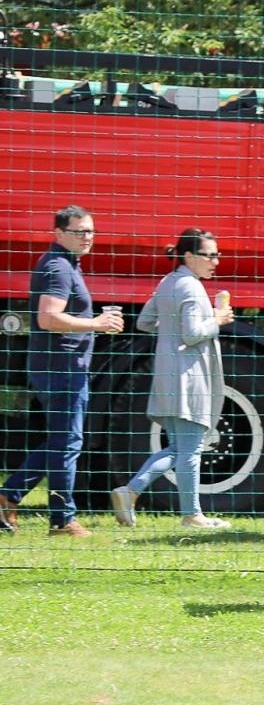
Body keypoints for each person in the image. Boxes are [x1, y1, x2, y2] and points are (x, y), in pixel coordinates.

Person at [0, 206, 121, 536]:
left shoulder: (66, 264)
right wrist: (95, 323)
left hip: (62, 368)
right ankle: (62, 519)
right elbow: (47, 318)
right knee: (67, 443)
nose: (87, 237)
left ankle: (9, 496)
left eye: (91, 231)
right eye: (79, 231)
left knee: (61, 441)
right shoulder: (58, 268)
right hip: (61, 369)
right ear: (59, 233)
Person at [111, 228, 236, 530]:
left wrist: (170, 337)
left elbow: (144, 321)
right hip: (190, 379)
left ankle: (131, 492)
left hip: (168, 375)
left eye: (216, 255)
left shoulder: (169, 282)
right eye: (209, 255)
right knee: (189, 451)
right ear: (190, 256)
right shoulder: (192, 288)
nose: (215, 261)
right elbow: (193, 334)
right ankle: (191, 514)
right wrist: (217, 320)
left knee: (180, 449)